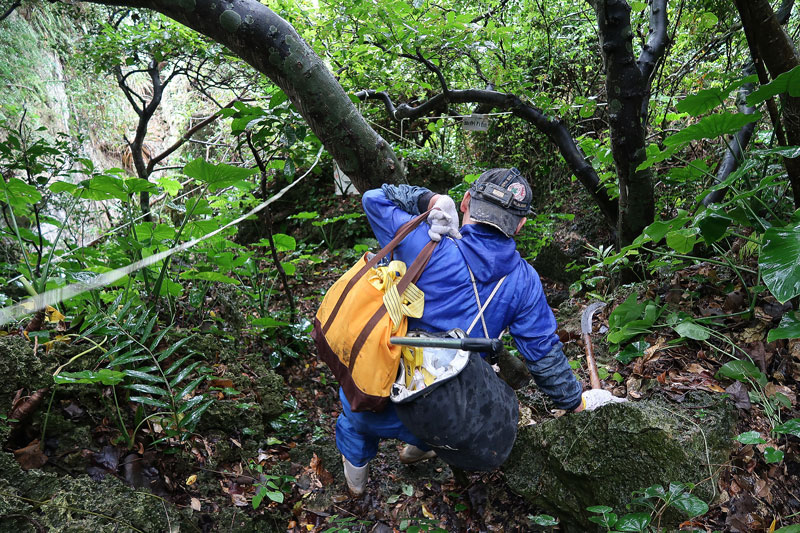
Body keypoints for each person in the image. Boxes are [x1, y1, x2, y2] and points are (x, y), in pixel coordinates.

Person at [335, 168, 623, 496]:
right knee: (435, 420)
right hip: (452, 407)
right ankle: (424, 444)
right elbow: (544, 356)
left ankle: (356, 492)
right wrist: (577, 403)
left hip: (381, 394)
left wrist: (430, 200)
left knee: (355, 421)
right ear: (519, 225)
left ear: (465, 202)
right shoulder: (525, 281)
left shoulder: (424, 243)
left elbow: (373, 199)